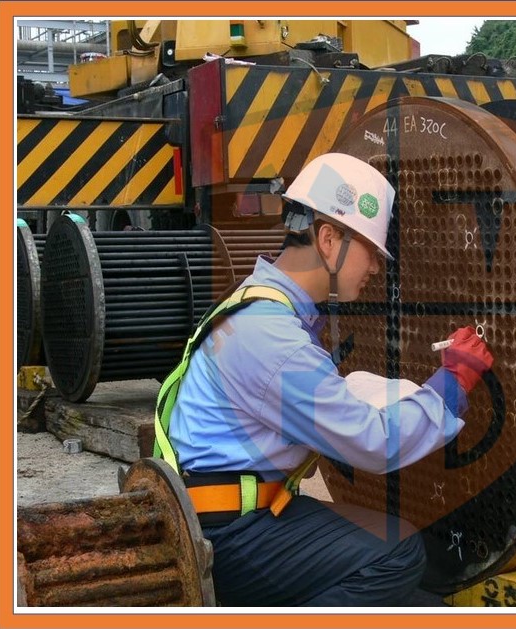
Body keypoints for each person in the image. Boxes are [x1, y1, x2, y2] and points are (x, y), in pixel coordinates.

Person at [155, 152, 494, 606]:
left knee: (415, 601)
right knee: (398, 554)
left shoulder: (257, 303)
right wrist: (453, 383)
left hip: (229, 510)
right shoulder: (272, 336)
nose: (375, 268)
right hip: (229, 536)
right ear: (329, 240)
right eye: (370, 251)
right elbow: (374, 443)